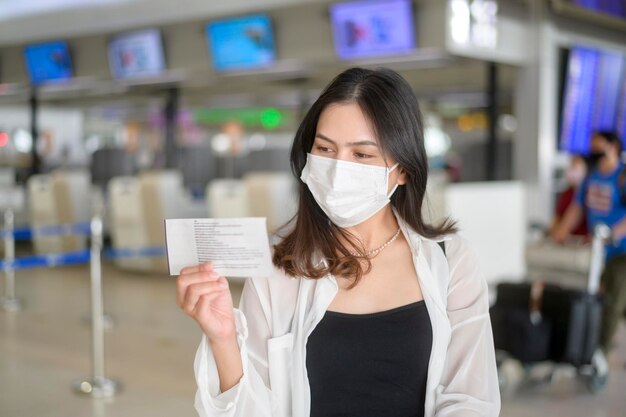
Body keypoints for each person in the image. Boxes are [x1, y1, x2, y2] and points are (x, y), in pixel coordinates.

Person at [176, 68, 500, 417]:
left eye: (361, 155)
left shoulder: (451, 262)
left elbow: (471, 397)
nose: (336, 169)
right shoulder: (279, 270)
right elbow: (255, 408)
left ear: (403, 169)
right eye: (325, 149)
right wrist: (224, 338)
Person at [552, 131, 626, 352]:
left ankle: (599, 351)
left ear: (613, 147)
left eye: (599, 147)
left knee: (612, 299)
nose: (594, 153)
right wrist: (560, 232)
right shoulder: (590, 177)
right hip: (597, 252)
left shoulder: (621, 176)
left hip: (621, 252)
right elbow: (576, 208)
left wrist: (615, 233)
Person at [550, 155, 588, 238]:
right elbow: (558, 217)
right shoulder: (566, 193)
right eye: (571, 168)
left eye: (576, 169)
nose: (572, 172)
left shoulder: (587, 192)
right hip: (567, 239)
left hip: (582, 239)